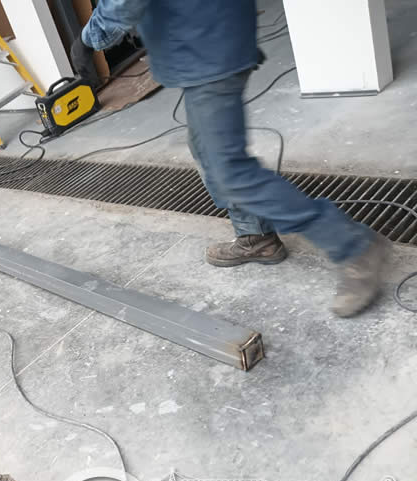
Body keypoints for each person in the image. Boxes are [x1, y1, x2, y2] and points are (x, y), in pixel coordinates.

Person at [71, 0, 389, 318]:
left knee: (231, 174)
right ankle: (256, 236)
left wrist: (88, 40)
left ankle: (353, 247)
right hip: (212, 37)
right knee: (206, 150)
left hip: (205, 48)